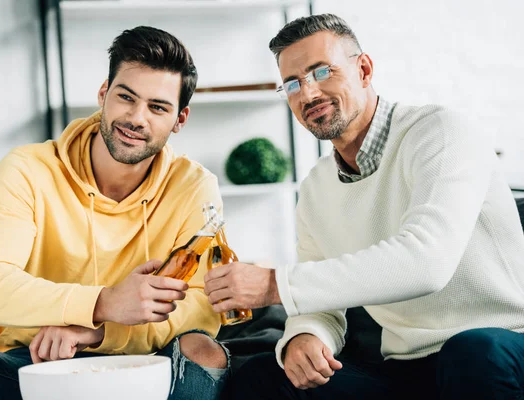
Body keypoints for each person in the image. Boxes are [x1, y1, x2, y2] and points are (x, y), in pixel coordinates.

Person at [204, 13, 524, 399]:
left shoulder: (442, 132)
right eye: (292, 84)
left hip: (503, 345)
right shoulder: (316, 188)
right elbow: (320, 301)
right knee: (262, 375)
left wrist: (275, 284)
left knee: (473, 353)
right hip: (406, 369)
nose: (307, 94)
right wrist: (305, 335)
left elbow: (427, 262)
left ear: (364, 69)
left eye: (321, 72)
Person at [0, 26, 229, 400]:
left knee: (204, 351)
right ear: (104, 94)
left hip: (145, 363)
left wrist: (99, 329)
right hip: (35, 363)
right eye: (126, 97)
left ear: (180, 119)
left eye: (158, 107)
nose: (136, 117)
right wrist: (103, 302)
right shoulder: (27, 168)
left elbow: (205, 304)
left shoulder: (194, 185)